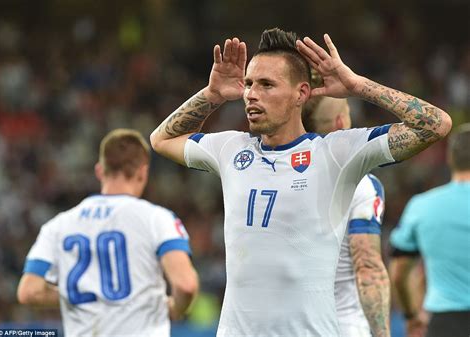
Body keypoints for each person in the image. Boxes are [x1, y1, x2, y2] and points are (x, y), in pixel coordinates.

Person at [150, 28, 452, 336]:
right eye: (250, 84)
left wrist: (358, 86)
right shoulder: (231, 149)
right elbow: (161, 140)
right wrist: (211, 95)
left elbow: (435, 125)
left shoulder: (336, 153)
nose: (252, 94)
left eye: (267, 85)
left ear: (301, 93)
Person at [17, 129, 199, 337]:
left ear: (99, 171)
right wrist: (176, 308)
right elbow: (186, 285)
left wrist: (88, 294)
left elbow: (29, 291)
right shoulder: (157, 218)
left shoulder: (58, 225)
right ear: (143, 172)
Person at [302, 93, 390, 337]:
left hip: (292, 325)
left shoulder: (282, 176)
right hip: (345, 327)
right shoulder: (360, 185)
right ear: (341, 122)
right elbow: (367, 267)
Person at [390, 123, 470, 337]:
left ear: (450, 159)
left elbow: (399, 273)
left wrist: (411, 315)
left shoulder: (421, 206)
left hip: (446, 324)